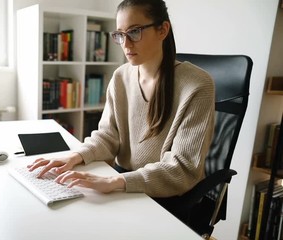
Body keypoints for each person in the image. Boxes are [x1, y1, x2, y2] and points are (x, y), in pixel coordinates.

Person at [28, 0, 215, 198]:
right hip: (125, 183)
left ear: (162, 30)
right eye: (120, 34)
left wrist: (114, 181)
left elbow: (182, 169)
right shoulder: (120, 76)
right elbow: (108, 137)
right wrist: (76, 156)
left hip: (166, 197)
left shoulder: (197, 85)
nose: (126, 44)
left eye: (134, 32)